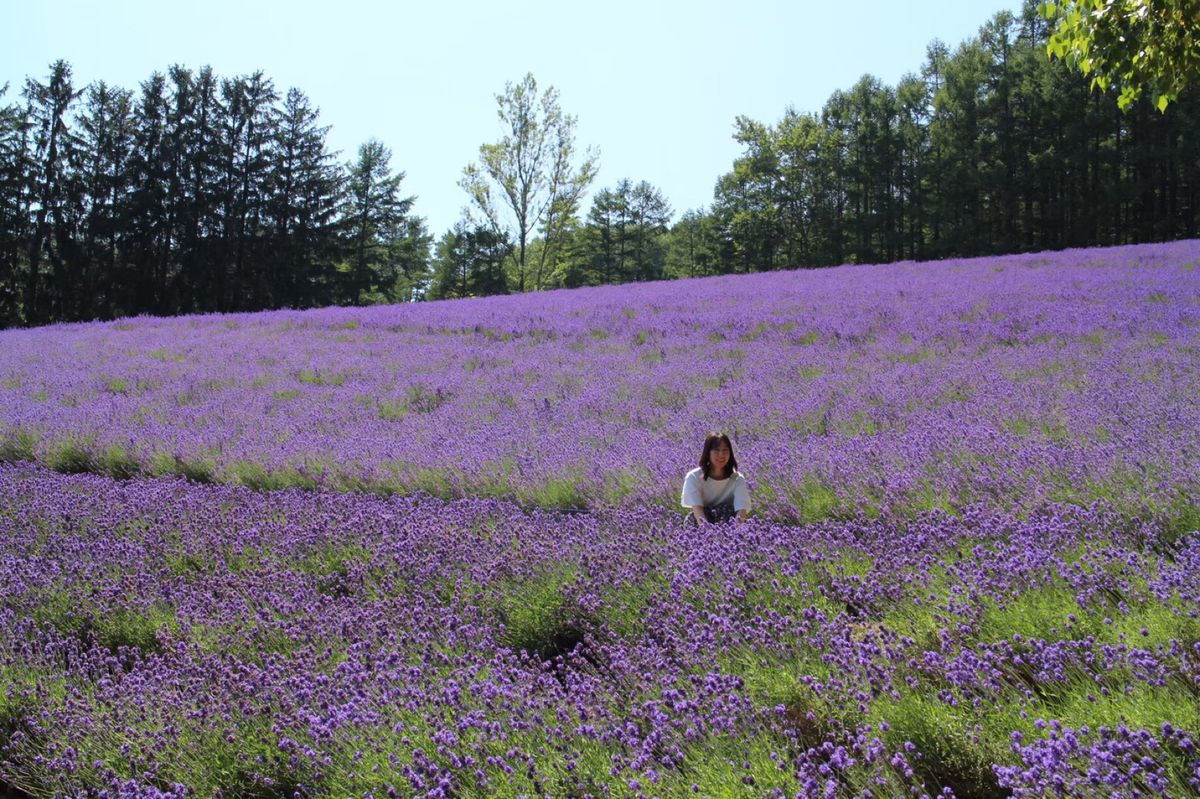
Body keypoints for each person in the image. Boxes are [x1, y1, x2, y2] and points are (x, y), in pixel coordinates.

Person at [681, 433, 750, 525]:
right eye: (716, 450)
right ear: (708, 453)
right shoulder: (693, 477)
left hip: (729, 520)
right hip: (702, 520)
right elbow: (697, 510)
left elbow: (741, 510)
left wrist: (736, 533)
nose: (721, 455)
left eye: (725, 450)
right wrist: (706, 531)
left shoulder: (737, 479)